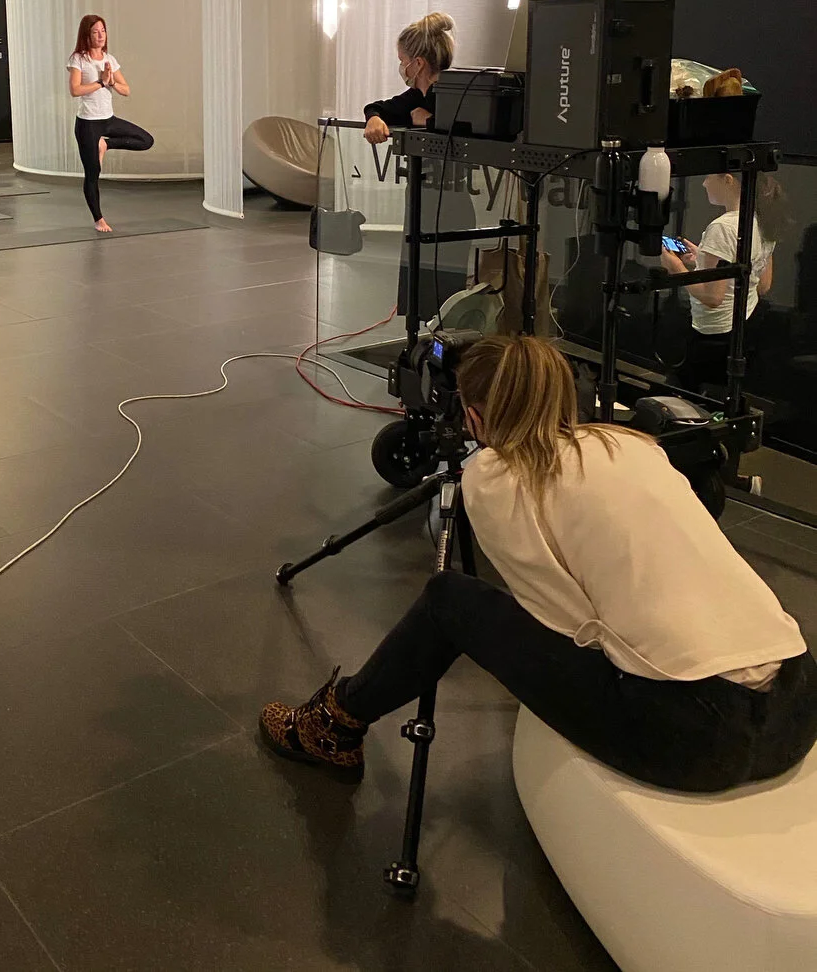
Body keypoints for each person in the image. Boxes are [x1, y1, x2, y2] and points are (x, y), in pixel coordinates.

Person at [259, 335, 817, 791]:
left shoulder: (496, 477)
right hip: (797, 701)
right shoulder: (631, 445)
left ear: (473, 417)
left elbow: (568, 625)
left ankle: (332, 727)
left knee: (449, 600)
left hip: (700, 736)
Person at [659, 172, 788, 394]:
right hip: (743, 326)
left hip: (713, 334)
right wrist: (703, 258)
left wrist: (676, 268)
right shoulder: (760, 221)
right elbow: (762, 285)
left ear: (728, 180)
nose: (703, 183)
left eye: (709, 177)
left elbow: (712, 297)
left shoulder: (722, 228)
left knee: (679, 391)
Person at [68, 14, 154, 233]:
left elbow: (126, 90)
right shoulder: (79, 59)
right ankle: (98, 219)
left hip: (108, 120)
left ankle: (105, 144)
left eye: (103, 31)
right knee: (93, 173)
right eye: (95, 32)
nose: (100, 36)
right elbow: (75, 90)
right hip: (88, 124)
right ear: (87, 35)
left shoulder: (110, 60)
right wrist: (100, 82)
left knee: (146, 140)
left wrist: (112, 81)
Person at [362, 12, 456, 146]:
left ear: (418, 63)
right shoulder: (417, 95)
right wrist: (374, 118)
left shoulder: (454, 96)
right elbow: (376, 108)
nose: (401, 66)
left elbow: (464, 128)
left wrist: (427, 121)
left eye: (402, 60)